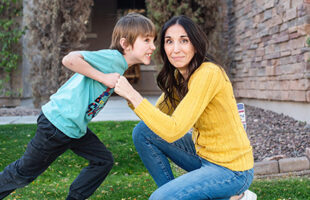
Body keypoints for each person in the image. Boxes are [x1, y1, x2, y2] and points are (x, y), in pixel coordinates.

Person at [0, 13, 156, 200]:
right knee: (23, 173)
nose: (152, 46)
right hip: (57, 124)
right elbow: (69, 60)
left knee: (103, 161)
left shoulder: (119, 64)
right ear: (125, 44)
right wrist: (103, 77)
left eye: (153, 40)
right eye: (146, 40)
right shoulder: (113, 58)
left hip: (74, 129)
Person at [114, 15, 257, 200]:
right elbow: (155, 119)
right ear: (164, 48)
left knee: (159, 199)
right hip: (203, 157)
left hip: (233, 170)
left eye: (184, 41)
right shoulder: (179, 77)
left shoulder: (208, 73)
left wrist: (134, 94)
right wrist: (129, 95)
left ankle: (239, 194)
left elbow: (174, 130)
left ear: (195, 44)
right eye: (169, 41)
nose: (176, 49)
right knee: (143, 132)